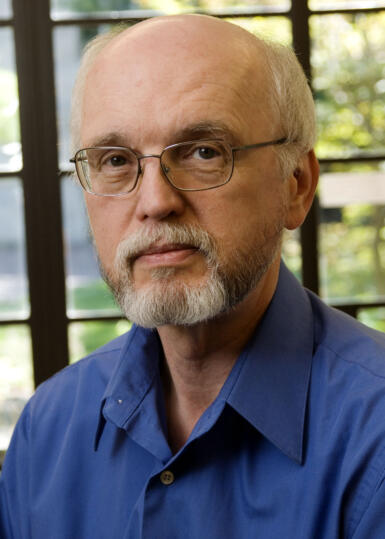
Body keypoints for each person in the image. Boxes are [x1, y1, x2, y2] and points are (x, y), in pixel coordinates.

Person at [1, 13, 385, 539]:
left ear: (296, 185)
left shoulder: (376, 436)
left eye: (205, 152)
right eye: (115, 159)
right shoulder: (48, 429)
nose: (156, 203)